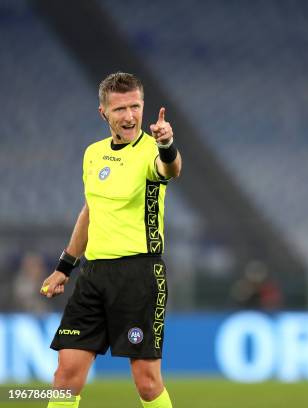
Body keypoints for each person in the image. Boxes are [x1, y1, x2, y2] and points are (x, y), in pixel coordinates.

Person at [39, 72, 181, 408]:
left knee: (147, 382)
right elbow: (90, 213)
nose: (130, 116)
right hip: (92, 276)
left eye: (135, 106)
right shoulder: (93, 154)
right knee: (64, 378)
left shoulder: (151, 150)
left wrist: (166, 144)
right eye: (120, 109)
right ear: (104, 113)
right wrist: (64, 268)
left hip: (139, 275)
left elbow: (171, 169)